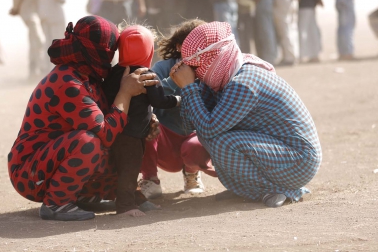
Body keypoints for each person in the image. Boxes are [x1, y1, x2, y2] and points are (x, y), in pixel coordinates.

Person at [7, 16, 159, 221]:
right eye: (111, 50)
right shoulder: (68, 83)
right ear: (99, 50)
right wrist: (126, 93)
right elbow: (105, 133)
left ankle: (85, 196)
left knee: (128, 137)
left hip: (51, 164)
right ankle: (57, 203)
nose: (112, 57)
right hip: (30, 173)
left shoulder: (89, 76)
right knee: (89, 142)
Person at [170, 22, 322, 208]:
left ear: (213, 57)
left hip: (298, 161)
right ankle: (246, 189)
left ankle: (283, 190)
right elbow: (189, 124)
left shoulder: (243, 82)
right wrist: (190, 88)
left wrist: (188, 87)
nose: (194, 70)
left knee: (221, 141)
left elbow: (208, 128)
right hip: (279, 152)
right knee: (212, 138)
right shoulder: (223, 75)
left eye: (195, 64)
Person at [102, 25, 178, 216]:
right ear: (149, 50)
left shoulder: (112, 73)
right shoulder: (147, 75)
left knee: (121, 167)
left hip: (114, 129)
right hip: (132, 135)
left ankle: (136, 199)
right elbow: (159, 101)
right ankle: (126, 206)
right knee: (130, 169)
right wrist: (177, 100)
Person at [139, 19, 217, 198]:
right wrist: (173, 80)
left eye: (203, 45)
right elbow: (146, 97)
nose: (199, 50)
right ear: (180, 46)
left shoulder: (211, 70)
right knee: (144, 122)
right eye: (193, 45)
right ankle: (150, 179)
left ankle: (191, 174)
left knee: (196, 143)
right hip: (164, 139)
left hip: (195, 139)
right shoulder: (162, 68)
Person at [10, 0, 46, 79]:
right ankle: (39, 68)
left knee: (34, 40)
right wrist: (15, 7)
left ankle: (34, 70)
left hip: (39, 11)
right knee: (38, 38)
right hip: (28, 10)